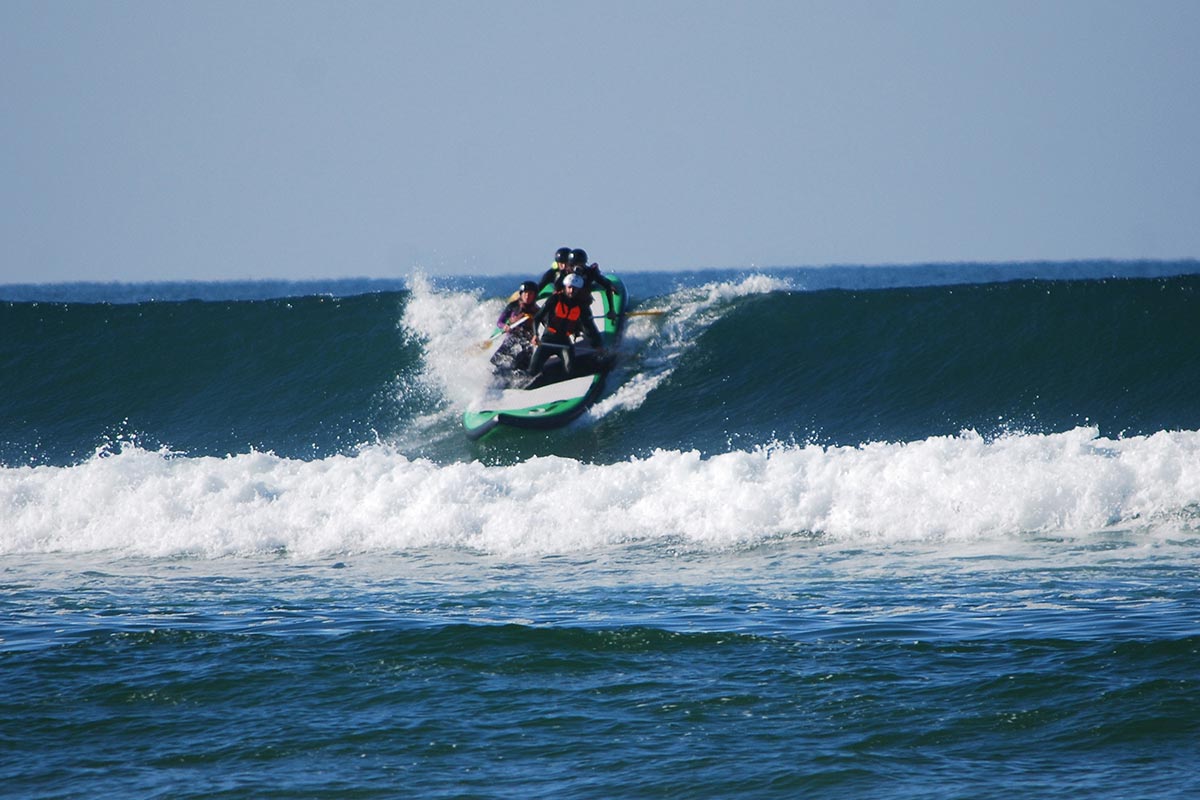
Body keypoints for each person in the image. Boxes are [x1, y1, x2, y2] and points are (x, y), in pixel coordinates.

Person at [528, 272, 604, 378]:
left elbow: (588, 327)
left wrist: (597, 345)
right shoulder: (555, 299)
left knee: (570, 369)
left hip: (564, 341)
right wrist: (535, 335)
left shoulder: (581, 306)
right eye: (569, 288)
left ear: (579, 290)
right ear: (565, 287)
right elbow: (537, 318)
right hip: (547, 339)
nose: (571, 291)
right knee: (533, 369)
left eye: (575, 288)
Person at [491, 280, 540, 372]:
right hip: (513, 336)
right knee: (496, 359)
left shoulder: (537, 310)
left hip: (527, 338)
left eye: (530, 293)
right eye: (525, 293)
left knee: (524, 362)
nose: (527, 296)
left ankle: (521, 374)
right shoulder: (513, 306)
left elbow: (547, 324)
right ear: (521, 294)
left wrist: (536, 337)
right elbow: (500, 322)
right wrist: (504, 326)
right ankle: (498, 372)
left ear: (535, 295)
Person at [567, 248, 617, 317]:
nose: (576, 268)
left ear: (584, 264)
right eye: (573, 265)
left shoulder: (590, 273)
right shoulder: (566, 273)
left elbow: (606, 285)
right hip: (567, 305)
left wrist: (611, 309)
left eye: (580, 265)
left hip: (583, 305)